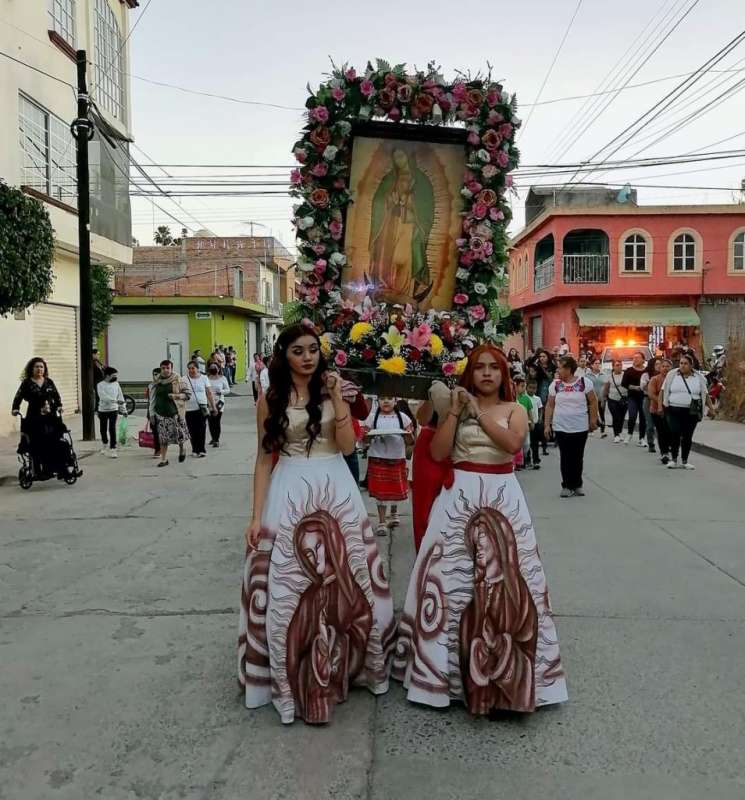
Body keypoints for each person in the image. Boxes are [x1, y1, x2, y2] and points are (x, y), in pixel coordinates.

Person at [392, 345, 568, 714]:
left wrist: (480, 416)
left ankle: (506, 672)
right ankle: (445, 674)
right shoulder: (454, 409)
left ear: (503, 374)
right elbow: (439, 454)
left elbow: (513, 445)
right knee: (449, 580)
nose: (486, 374)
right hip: (457, 496)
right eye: (479, 368)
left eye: (493, 368)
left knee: (509, 577)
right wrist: (455, 411)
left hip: (503, 496)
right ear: (469, 373)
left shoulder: (516, 409)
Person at [239, 323, 395, 725]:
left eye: (312, 350)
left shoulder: (333, 391)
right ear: (284, 356)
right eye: (298, 351)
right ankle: (295, 674)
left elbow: (347, 447)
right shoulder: (270, 398)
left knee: (350, 576)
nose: (307, 357)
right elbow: (261, 459)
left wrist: (338, 400)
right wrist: (256, 516)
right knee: (293, 583)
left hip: (337, 486)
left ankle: (352, 664)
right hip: (288, 487)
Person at [544, 356, 599, 498]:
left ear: (569, 369)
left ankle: (577, 484)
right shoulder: (555, 385)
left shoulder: (583, 383)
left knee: (577, 456)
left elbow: (593, 401)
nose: (558, 370)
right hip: (561, 426)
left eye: (560, 367)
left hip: (580, 426)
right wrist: (547, 425)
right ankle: (567, 485)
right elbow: (550, 405)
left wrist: (593, 419)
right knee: (565, 456)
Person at [11, 357, 74, 479]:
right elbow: (18, 398)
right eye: (36, 366)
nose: (39, 369)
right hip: (34, 418)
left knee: (59, 442)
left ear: (44, 369)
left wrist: (59, 406)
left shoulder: (49, 382)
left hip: (50, 417)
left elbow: (56, 396)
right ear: (31, 369)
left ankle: (63, 470)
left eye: (41, 367)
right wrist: (15, 409)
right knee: (40, 442)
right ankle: (42, 471)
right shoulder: (27, 383)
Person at [363, 397, 414, 536]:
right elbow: (364, 438)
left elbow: (410, 441)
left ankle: (394, 513)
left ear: (396, 401)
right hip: (377, 457)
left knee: (394, 488)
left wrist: (408, 435)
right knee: (380, 492)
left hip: (396, 457)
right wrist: (367, 436)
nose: (386, 402)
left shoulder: (403, 418)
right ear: (377, 401)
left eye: (389, 398)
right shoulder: (372, 418)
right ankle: (381, 522)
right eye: (382, 398)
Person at [662, 353, 714, 470]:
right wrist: (662, 406)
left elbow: (705, 394)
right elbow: (663, 390)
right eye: (681, 363)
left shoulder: (699, 378)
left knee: (687, 436)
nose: (683, 366)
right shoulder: (672, 375)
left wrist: (711, 408)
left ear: (691, 365)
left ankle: (685, 460)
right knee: (675, 433)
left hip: (691, 411)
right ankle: (674, 460)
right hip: (674, 409)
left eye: (685, 364)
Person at [152, 360, 190, 467]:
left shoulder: (178, 379)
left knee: (179, 436)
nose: (165, 370)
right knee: (163, 439)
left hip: (175, 413)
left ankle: (182, 449)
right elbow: (153, 398)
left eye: (168, 368)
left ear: (171, 369)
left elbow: (187, 394)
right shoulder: (157, 381)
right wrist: (151, 413)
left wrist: (176, 396)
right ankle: (164, 460)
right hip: (161, 414)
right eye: (163, 368)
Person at [184, 361, 216, 458]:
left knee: (201, 429)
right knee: (192, 430)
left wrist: (213, 406)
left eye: (193, 368)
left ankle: (201, 449)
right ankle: (195, 449)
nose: (191, 370)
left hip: (201, 408)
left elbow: (209, 393)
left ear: (198, 369)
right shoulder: (184, 379)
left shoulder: (204, 378)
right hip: (188, 409)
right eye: (189, 368)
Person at [96, 366, 126, 458]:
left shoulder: (116, 384)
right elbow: (103, 397)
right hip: (103, 410)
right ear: (107, 375)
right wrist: (116, 401)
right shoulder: (100, 385)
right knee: (103, 429)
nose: (115, 377)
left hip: (114, 409)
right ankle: (105, 443)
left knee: (112, 428)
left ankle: (113, 448)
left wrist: (123, 408)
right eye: (114, 375)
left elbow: (120, 396)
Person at [648, 358, 672, 465]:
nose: (665, 368)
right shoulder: (654, 379)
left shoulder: (675, 379)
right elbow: (651, 394)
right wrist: (662, 403)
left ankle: (669, 448)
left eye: (667, 366)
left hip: (672, 410)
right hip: (657, 410)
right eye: (663, 366)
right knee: (662, 431)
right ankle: (664, 453)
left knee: (670, 431)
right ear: (659, 368)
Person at [621, 351, 647, 446]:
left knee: (643, 417)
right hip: (632, 397)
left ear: (643, 360)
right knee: (632, 416)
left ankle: (642, 438)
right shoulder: (629, 371)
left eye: (638, 357)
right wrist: (634, 387)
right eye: (634, 358)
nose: (635, 359)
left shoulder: (646, 371)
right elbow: (624, 384)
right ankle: (629, 434)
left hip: (643, 397)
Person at [605, 358, 628, 443]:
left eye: (620, 365)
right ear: (613, 367)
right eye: (617, 365)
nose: (619, 367)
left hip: (624, 399)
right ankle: (616, 435)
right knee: (616, 416)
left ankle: (620, 432)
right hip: (612, 399)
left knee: (622, 417)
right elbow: (606, 388)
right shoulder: (610, 376)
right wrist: (604, 399)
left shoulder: (625, 375)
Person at [207, 363, 230, 447]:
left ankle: (216, 439)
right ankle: (213, 437)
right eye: (211, 367)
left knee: (216, 420)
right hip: (208, 402)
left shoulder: (223, 378)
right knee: (210, 421)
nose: (213, 369)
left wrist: (221, 392)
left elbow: (228, 390)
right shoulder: (206, 379)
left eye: (215, 367)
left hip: (219, 402)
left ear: (218, 369)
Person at [640, 357, 660, 454]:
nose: (659, 366)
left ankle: (664, 445)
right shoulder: (646, 375)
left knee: (661, 425)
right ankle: (651, 443)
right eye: (656, 364)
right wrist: (651, 381)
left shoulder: (664, 375)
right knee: (650, 424)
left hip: (660, 400)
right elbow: (642, 387)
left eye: (660, 364)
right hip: (648, 400)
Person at [514, 376, 533, 470]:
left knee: (526, 444)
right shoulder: (511, 398)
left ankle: (523, 457)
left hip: (525, 424)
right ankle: (516, 463)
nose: (523, 388)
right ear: (516, 386)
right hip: (514, 426)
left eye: (524, 386)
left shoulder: (526, 398)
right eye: (522, 386)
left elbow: (530, 411)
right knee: (516, 444)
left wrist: (532, 421)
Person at [588, 358, 610, 439]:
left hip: (601, 398)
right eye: (596, 363)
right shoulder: (587, 375)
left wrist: (605, 396)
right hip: (591, 399)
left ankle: (603, 431)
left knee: (601, 414)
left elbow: (606, 386)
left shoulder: (603, 375)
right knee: (592, 414)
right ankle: (591, 429)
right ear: (592, 365)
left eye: (599, 363)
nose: (598, 365)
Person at [526, 379, 544, 469]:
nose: (532, 390)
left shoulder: (537, 399)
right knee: (527, 444)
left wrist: (540, 418)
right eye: (530, 388)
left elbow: (540, 409)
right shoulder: (524, 398)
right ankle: (527, 460)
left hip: (536, 423)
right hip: (527, 424)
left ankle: (536, 460)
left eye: (534, 388)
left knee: (535, 443)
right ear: (527, 387)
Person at [144, 368, 161, 458]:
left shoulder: (165, 384)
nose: (156, 376)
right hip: (152, 412)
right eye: (154, 374)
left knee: (162, 431)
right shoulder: (150, 385)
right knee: (155, 431)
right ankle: (157, 449)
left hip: (163, 411)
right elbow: (148, 398)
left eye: (158, 374)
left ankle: (162, 447)